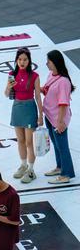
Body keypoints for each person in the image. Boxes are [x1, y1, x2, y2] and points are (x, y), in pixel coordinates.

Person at [4, 47, 42, 184]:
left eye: (25, 59)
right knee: (20, 140)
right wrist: (9, 86)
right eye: (20, 59)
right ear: (16, 60)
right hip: (17, 107)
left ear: (29, 61)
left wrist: (40, 115)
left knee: (29, 142)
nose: (22, 62)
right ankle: (23, 165)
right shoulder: (11, 74)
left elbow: (38, 97)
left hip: (29, 107)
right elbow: (6, 94)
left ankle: (31, 170)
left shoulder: (35, 76)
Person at [41, 50, 73, 184]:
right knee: (56, 145)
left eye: (49, 61)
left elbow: (63, 103)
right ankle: (60, 167)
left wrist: (60, 122)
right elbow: (47, 90)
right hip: (49, 116)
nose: (47, 63)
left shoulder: (64, 82)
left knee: (63, 146)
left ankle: (67, 174)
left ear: (55, 62)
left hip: (58, 119)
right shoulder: (51, 75)